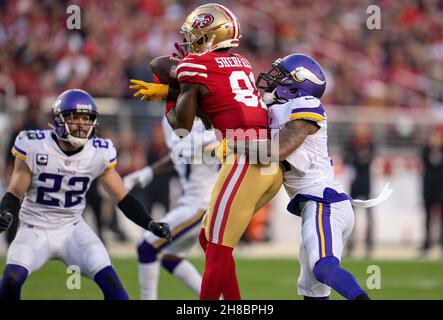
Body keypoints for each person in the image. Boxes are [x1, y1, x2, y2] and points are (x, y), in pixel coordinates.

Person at [130, 3, 283, 300]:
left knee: (216, 248)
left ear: (211, 35)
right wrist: (175, 89)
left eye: (195, 35)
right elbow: (216, 106)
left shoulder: (194, 67)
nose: (189, 43)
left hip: (244, 161)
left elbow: (182, 128)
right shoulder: (241, 63)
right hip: (265, 160)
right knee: (207, 239)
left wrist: (169, 99)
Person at [0, 89, 171, 300]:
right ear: (60, 120)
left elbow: (122, 197)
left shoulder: (98, 151)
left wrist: (150, 223)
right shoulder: (35, 145)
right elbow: (15, 193)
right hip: (34, 227)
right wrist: (5, 212)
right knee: (11, 278)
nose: (81, 123)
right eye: (74, 117)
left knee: (111, 283)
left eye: (86, 118)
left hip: (73, 228)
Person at [255, 53, 376, 300]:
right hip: (319, 205)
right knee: (312, 291)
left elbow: (278, 150)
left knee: (324, 268)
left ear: (298, 83)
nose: (275, 79)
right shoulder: (280, 107)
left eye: (283, 75)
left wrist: (233, 144)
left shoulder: (306, 104)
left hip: (324, 203)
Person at [123, 117, 219, 300]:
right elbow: (179, 155)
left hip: (202, 204)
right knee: (171, 258)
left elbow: (211, 149)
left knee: (146, 248)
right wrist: (148, 172)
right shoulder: (171, 118)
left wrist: (197, 145)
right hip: (193, 202)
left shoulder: (206, 119)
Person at [344, 123, 375, 258]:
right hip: (354, 182)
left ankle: (369, 244)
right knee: (351, 216)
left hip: (366, 182)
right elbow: (346, 160)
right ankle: (351, 244)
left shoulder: (370, 144)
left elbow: (369, 159)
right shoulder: (351, 143)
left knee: (369, 215)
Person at [421, 125, 443, 256]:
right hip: (429, 187)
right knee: (427, 216)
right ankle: (427, 243)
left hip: (442, 188)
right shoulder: (426, 150)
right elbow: (425, 163)